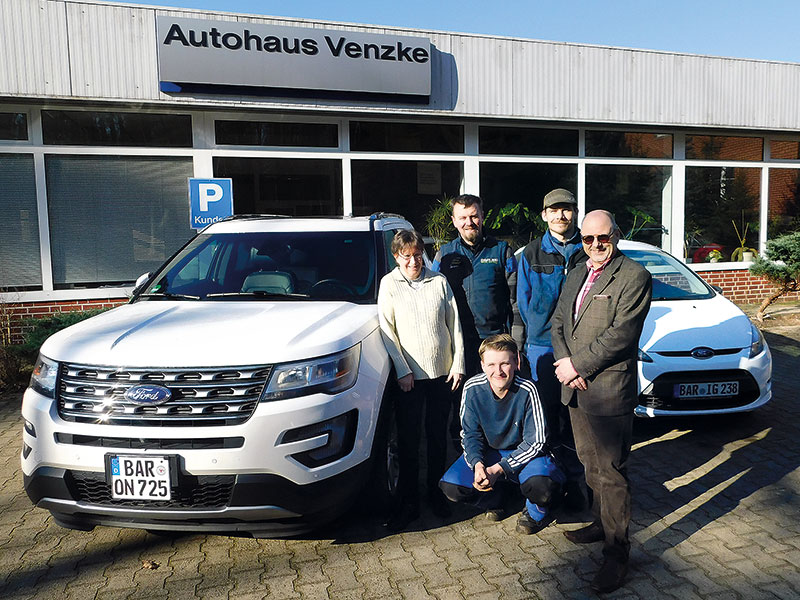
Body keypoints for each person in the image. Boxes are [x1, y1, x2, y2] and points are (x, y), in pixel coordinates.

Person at [550, 210, 652, 594]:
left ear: (617, 236)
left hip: (608, 389)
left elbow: (621, 334)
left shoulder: (634, 276)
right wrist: (566, 367)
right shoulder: (576, 272)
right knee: (588, 463)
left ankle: (617, 553)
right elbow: (559, 321)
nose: (595, 245)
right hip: (575, 384)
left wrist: (577, 364)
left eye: (602, 239)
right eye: (588, 239)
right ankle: (600, 522)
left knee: (611, 472)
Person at [378, 229, 466, 532]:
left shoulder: (438, 281)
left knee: (437, 436)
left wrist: (458, 364)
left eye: (417, 255)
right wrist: (402, 370)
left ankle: (435, 494)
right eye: (407, 256)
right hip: (409, 380)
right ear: (396, 257)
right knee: (409, 441)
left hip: (442, 374)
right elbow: (387, 331)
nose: (413, 261)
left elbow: (454, 325)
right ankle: (409, 502)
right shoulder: (389, 285)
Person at [439, 334, 565, 535]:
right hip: (491, 453)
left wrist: (499, 469)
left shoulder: (529, 390)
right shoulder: (472, 388)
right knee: (451, 486)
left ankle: (536, 511)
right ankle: (497, 499)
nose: (498, 371)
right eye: (491, 364)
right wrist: (478, 464)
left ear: (516, 362)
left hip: (526, 455)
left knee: (542, 487)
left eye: (505, 363)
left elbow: (537, 441)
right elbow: (470, 434)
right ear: (482, 365)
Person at [516, 188, 586, 510]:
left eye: (567, 210)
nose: (561, 215)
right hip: (540, 349)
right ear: (544, 215)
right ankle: (543, 496)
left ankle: (576, 486)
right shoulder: (530, 254)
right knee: (544, 419)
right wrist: (519, 348)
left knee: (575, 420)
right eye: (554, 210)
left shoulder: (589, 250)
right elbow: (520, 305)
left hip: (580, 350)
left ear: (574, 213)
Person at [432, 194, 517, 438]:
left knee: (496, 397)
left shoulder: (502, 251)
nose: (469, 222)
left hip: (495, 342)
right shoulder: (444, 255)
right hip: (458, 345)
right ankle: (463, 450)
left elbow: (516, 303)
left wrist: (515, 344)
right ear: (454, 221)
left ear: (482, 217)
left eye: (474, 216)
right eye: (463, 218)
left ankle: (497, 446)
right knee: (461, 400)